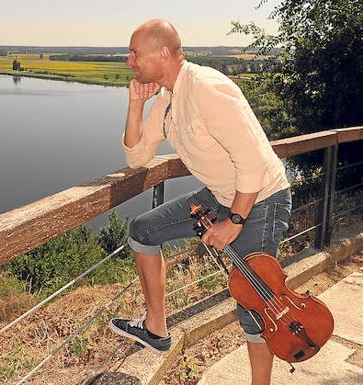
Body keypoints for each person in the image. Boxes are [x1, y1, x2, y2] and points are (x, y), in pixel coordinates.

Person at [108, 19, 292, 385]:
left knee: (254, 307)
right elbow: (137, 159)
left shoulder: (207, 87)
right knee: (144, 230)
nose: (129, 61)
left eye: (135, 53)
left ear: (162, 53)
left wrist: (234, 222)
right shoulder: (165, 100)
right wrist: (134, 106)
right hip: (222, 195)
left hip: (262, 199)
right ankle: (157, 329)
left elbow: (253, 162)